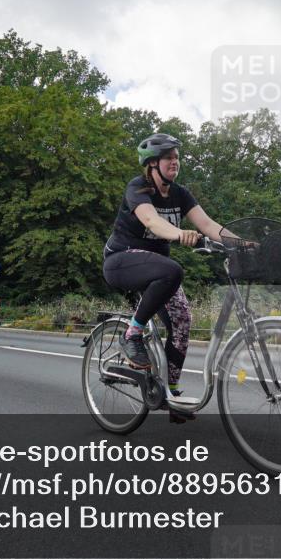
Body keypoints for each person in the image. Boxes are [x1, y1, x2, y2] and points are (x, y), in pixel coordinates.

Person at [102, 133, 231, 423]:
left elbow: (208, 224)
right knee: (172, 269)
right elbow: (150, 220)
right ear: (152, 164)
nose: (175, 162)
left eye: (176, 158)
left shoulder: (181, 194)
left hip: (155, 267)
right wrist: (179, 234)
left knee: (183, 320)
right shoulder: (138, 188)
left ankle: (172, 394)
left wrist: (241, 243)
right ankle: (132, 334)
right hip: (121, 261)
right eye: (168, 158)